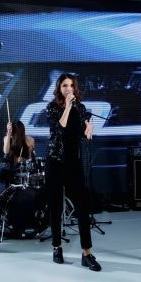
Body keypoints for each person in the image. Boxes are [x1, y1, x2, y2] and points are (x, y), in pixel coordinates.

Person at [45, 73, 101, 271]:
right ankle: (56, 247)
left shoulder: (81, 108)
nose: (68, 88)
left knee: (82, 207)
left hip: (74, 162)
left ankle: (87, 254)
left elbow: (84, 134)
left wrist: (89, 129)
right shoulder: (52, 107)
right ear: (59, 89)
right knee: (56, 207)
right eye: (64, 85)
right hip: (55, 161)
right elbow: (60, 129)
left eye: (71, 85)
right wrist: (68, 106)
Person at [2, 120, 35, 184]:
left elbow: (30, 159)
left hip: (24, 170)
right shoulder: (7, 138)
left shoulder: (30, 140)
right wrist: (8, 134)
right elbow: (6, 151)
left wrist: (23, 160)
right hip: (10, 171)